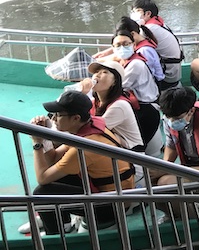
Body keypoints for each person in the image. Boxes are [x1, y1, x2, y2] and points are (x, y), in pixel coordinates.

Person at [27, 91, 134, 235]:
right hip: (108, 192)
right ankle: (61, 222)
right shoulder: (89, 128)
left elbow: (42, 177)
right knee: (58, 177)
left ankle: (55, 236)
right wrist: (44, 136)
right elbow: (53, 158)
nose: (53, 119)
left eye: (58, 115)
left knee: (42, 193)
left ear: (76, 118)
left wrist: (37, 143)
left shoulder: (84, 148)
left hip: (112, 205)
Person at [84, 59, 163, 161]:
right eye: (96, 72)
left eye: (104, 72)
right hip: (114, 154)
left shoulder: (120, 105)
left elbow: (93, 130)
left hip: (131, 159)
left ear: (115, 81)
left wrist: (81, 95)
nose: (97, 75)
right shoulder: (94, 102)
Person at [130, 0, 183, 90]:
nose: (133, 14)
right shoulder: (159, 24)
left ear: (148, 13)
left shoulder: (149, 29)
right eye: (133, 11)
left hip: (167, 76)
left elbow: (129, 44)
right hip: (174, 72)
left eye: (137, 11)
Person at [110, 29, 160, 117]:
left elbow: (119, 87)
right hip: (140, 104)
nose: (122, 48)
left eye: (126, 44)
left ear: (133, 45)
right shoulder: (125, 60)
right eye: (118, 45)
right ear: (113, 48)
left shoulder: (135, 64)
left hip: (146, 107)